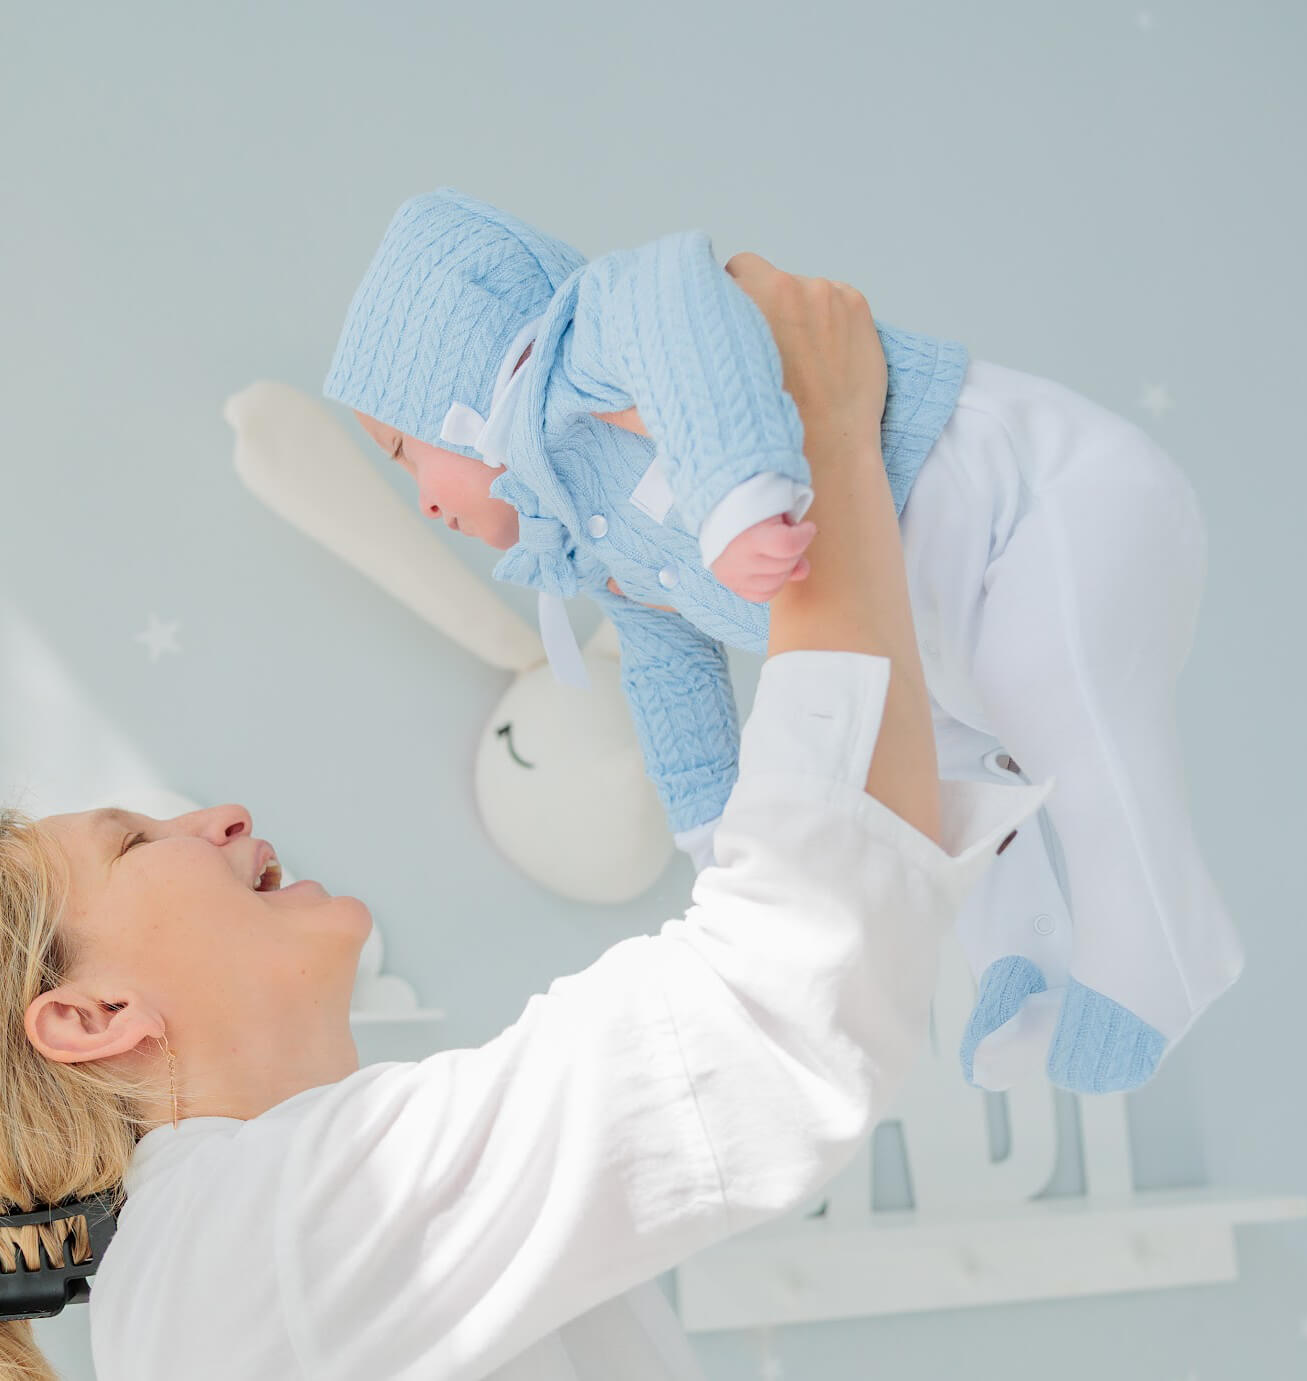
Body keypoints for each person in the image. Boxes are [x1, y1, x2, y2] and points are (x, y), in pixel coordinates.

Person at [0, 258, 1047, 1381]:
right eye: (134, 842)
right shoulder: (265, 1236)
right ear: (92, 1014)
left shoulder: (262, 1227)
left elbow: (778, 1002)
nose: (220, 817)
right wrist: (824, 448)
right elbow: (767, 1012)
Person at [326, 189, 1243, 1095]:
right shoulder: (597, 537)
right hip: (942, 618)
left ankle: (1162, 946)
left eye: (404, 452)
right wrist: (715, 841)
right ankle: (1021, 961)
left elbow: (687, 323)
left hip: (1048, 498)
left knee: (1060, 717)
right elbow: (668, 673)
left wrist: (738, 496)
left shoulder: (592, 332)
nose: (425, 502)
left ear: (461, 380)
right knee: (939, 773)